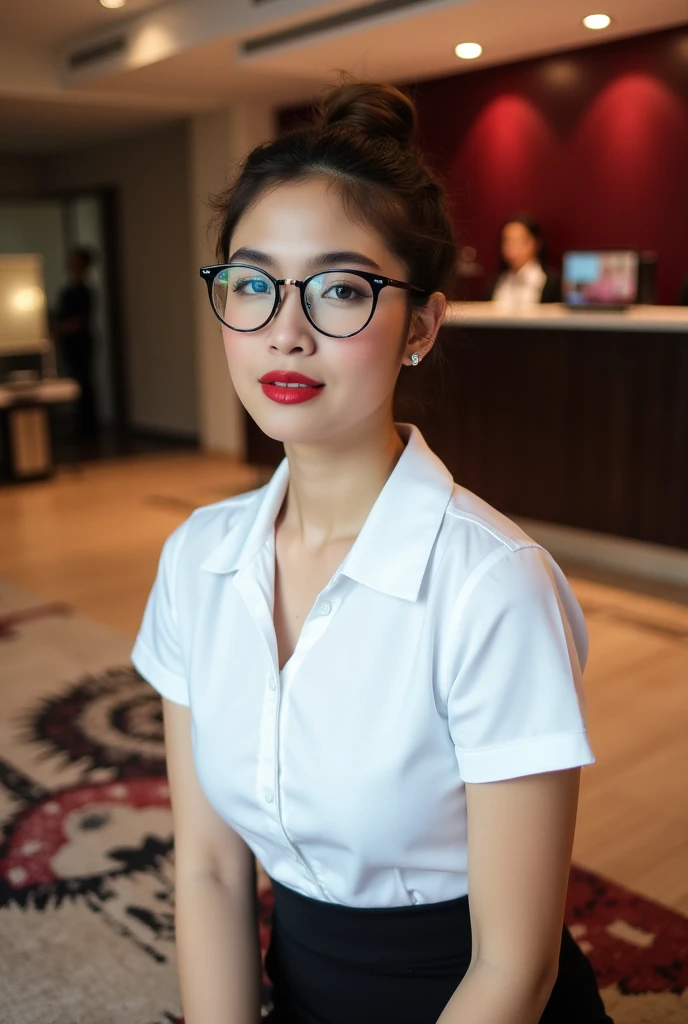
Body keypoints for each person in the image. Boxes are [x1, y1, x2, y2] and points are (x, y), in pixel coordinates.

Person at [131, 81, 613, 1024]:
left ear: (422, 329)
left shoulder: (490, 586)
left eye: (343, 289)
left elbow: (515, 971)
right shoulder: (197, 560)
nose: (285, 327)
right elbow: (211, 873)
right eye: (252, 283)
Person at [52, 246, 98, 436]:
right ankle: (81, 424)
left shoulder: (85, 291)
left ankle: (87, 427)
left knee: (83, 381)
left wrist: (58, 329)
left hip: (80, 342)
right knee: (76, 380)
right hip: (70, 342)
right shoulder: (69, 289)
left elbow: (79, 320)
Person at [486, 214, 561, 305]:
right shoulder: (496, 282)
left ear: (536, 243)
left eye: (520, 241)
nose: (512, 249)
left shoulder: (552, 283)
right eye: (507, 241)